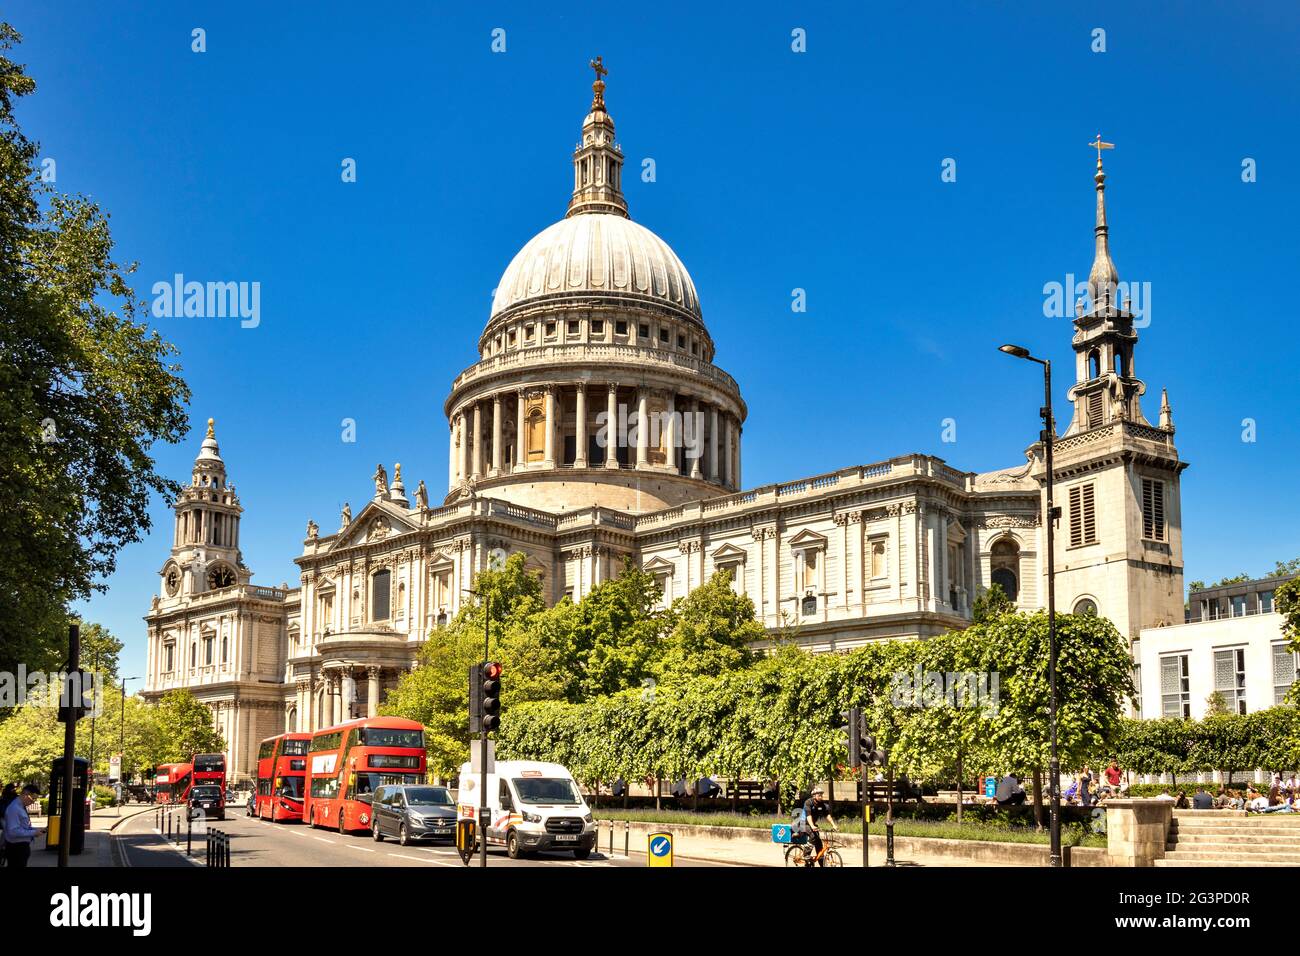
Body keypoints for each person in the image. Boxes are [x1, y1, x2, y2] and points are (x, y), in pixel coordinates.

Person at [2, 784, 41, 867]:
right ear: (26, 794)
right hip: (17, 848)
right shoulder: (15, 808)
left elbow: (22, 827)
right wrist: (33, 833)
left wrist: (35, 830)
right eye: (33, 798)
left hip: (19, 847)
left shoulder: (20, 806)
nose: (33, 801)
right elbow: (13, 831)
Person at [801, 785, 838, 867]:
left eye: (821, 795)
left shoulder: (822, 804)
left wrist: (834, 825)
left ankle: (822, 862)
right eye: (819, 795)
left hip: (813, 825)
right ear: (814, 796)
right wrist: (812, 826)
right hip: (804, 823)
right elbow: (808, 816)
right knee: (813, 836)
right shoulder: (808, 802)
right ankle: (806, 854)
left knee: (819, 844)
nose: (821, 796)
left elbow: (827, 815)